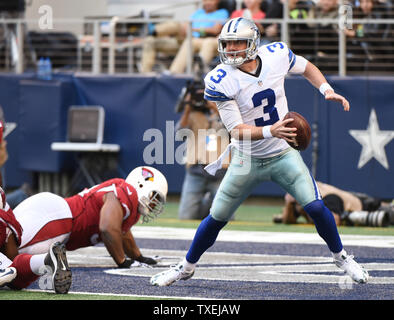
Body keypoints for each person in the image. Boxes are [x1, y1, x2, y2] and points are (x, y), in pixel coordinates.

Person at [150, 18, 369, 288]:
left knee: (315, 206)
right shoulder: (221, 79)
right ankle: (186, 267)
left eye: (236, 42)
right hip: (246, 158)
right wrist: (270, 131)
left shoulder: (275, 54)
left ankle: (341, 258)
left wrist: (326, 89)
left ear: (253, 42)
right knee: (216, 217)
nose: (230, 49)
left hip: (282, 154)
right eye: (226, 43)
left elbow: (306, 66)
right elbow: (236, 130)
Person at [1, 166, 168, 290]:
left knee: (12, 269)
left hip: (57, 217)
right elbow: (108, 228)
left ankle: (49, 262)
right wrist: (123, 262)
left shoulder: (128, 204)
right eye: (155, 197)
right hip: (57, 217)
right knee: (9, 260)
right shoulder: (127, 192)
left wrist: (139, 257)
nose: (154, 204)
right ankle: (49, 261)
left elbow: (122, 233)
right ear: (141, 186)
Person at [176, 81, 230, 220]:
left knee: (226, 217)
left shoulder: (225, 113)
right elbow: (179, 134)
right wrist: (187, 107)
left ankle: (211, 203)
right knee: (186, 216)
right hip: (196, 170)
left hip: (220, 170)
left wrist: (214, 107)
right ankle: (209, 204)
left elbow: (234, 129)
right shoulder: (192, 115)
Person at [141, 0, 229, 73]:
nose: (207, 3)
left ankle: (174, 73)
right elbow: (186, 25)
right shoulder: (198, 12)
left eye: (210, 0)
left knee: (188, 40)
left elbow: (215, 30)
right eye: (205, 0)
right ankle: (153, 31)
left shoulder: (222, 12)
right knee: (150, 40)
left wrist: (193, 29)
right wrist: (183, 29)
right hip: (185, 38)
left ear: (217, 1)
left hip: (199, 39)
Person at [274, 181, 392, 226]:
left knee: (390, 212)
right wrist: (289, 204)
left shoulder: (327, 198)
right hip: (350, 198)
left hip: (365, 205)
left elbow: (334, 221)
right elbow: (288, 220)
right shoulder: (300, 198)